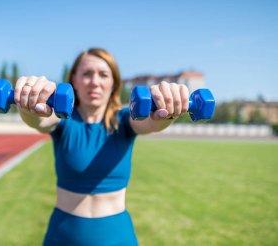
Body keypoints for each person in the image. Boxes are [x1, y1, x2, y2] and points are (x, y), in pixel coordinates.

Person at [14, 48, 189, 245]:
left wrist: (167, 112)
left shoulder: (124, 120)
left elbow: (151, 123)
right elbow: (40, 120)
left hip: (116, 236)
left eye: (103, 74)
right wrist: (28, 104)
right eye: (87, 73)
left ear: (113, 82)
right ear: (74, 80)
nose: (95, 82)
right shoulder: (64, 120)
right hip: (62, 236)